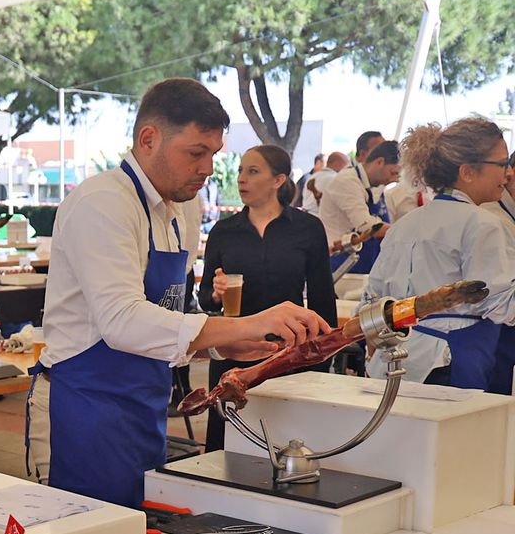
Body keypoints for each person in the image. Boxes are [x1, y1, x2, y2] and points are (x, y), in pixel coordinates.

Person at [26, 79, 329, 508]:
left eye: (213, 155)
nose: (208, 168)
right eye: (196, 153)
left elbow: (164, 322)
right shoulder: (103, 202)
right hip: (83, 411)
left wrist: (224, 347)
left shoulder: (177, 213)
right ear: (148, 139)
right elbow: (121, 322)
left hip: (141, 412)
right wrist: (243, 323)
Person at [199, 145, 338, 451]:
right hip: (233, 358)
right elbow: (205, 300)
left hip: (288, 357)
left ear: (278, 180)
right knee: (225, 450)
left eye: (252, 171)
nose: (241, 180)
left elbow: (322, 300)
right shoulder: (224, 232)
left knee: (289, 445)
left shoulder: (307, 229)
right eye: (240, 171)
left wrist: (320, 367)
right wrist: (216, 292)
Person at [365, 116, 515, 391]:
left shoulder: (404, 224)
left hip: (398, 361)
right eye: (502, 163)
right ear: (468, 171)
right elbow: (498, 303)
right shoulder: (481, 223)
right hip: (451, 362)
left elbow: (372, 298)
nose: (507, 173)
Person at [318, 140, 401, 272]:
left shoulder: (375, 186)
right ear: (379, 162)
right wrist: (406, 231)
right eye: (393, 173)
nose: (396, 179)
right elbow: (366, 226)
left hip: (365, 262)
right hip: (340, 263)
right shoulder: (347, 181)